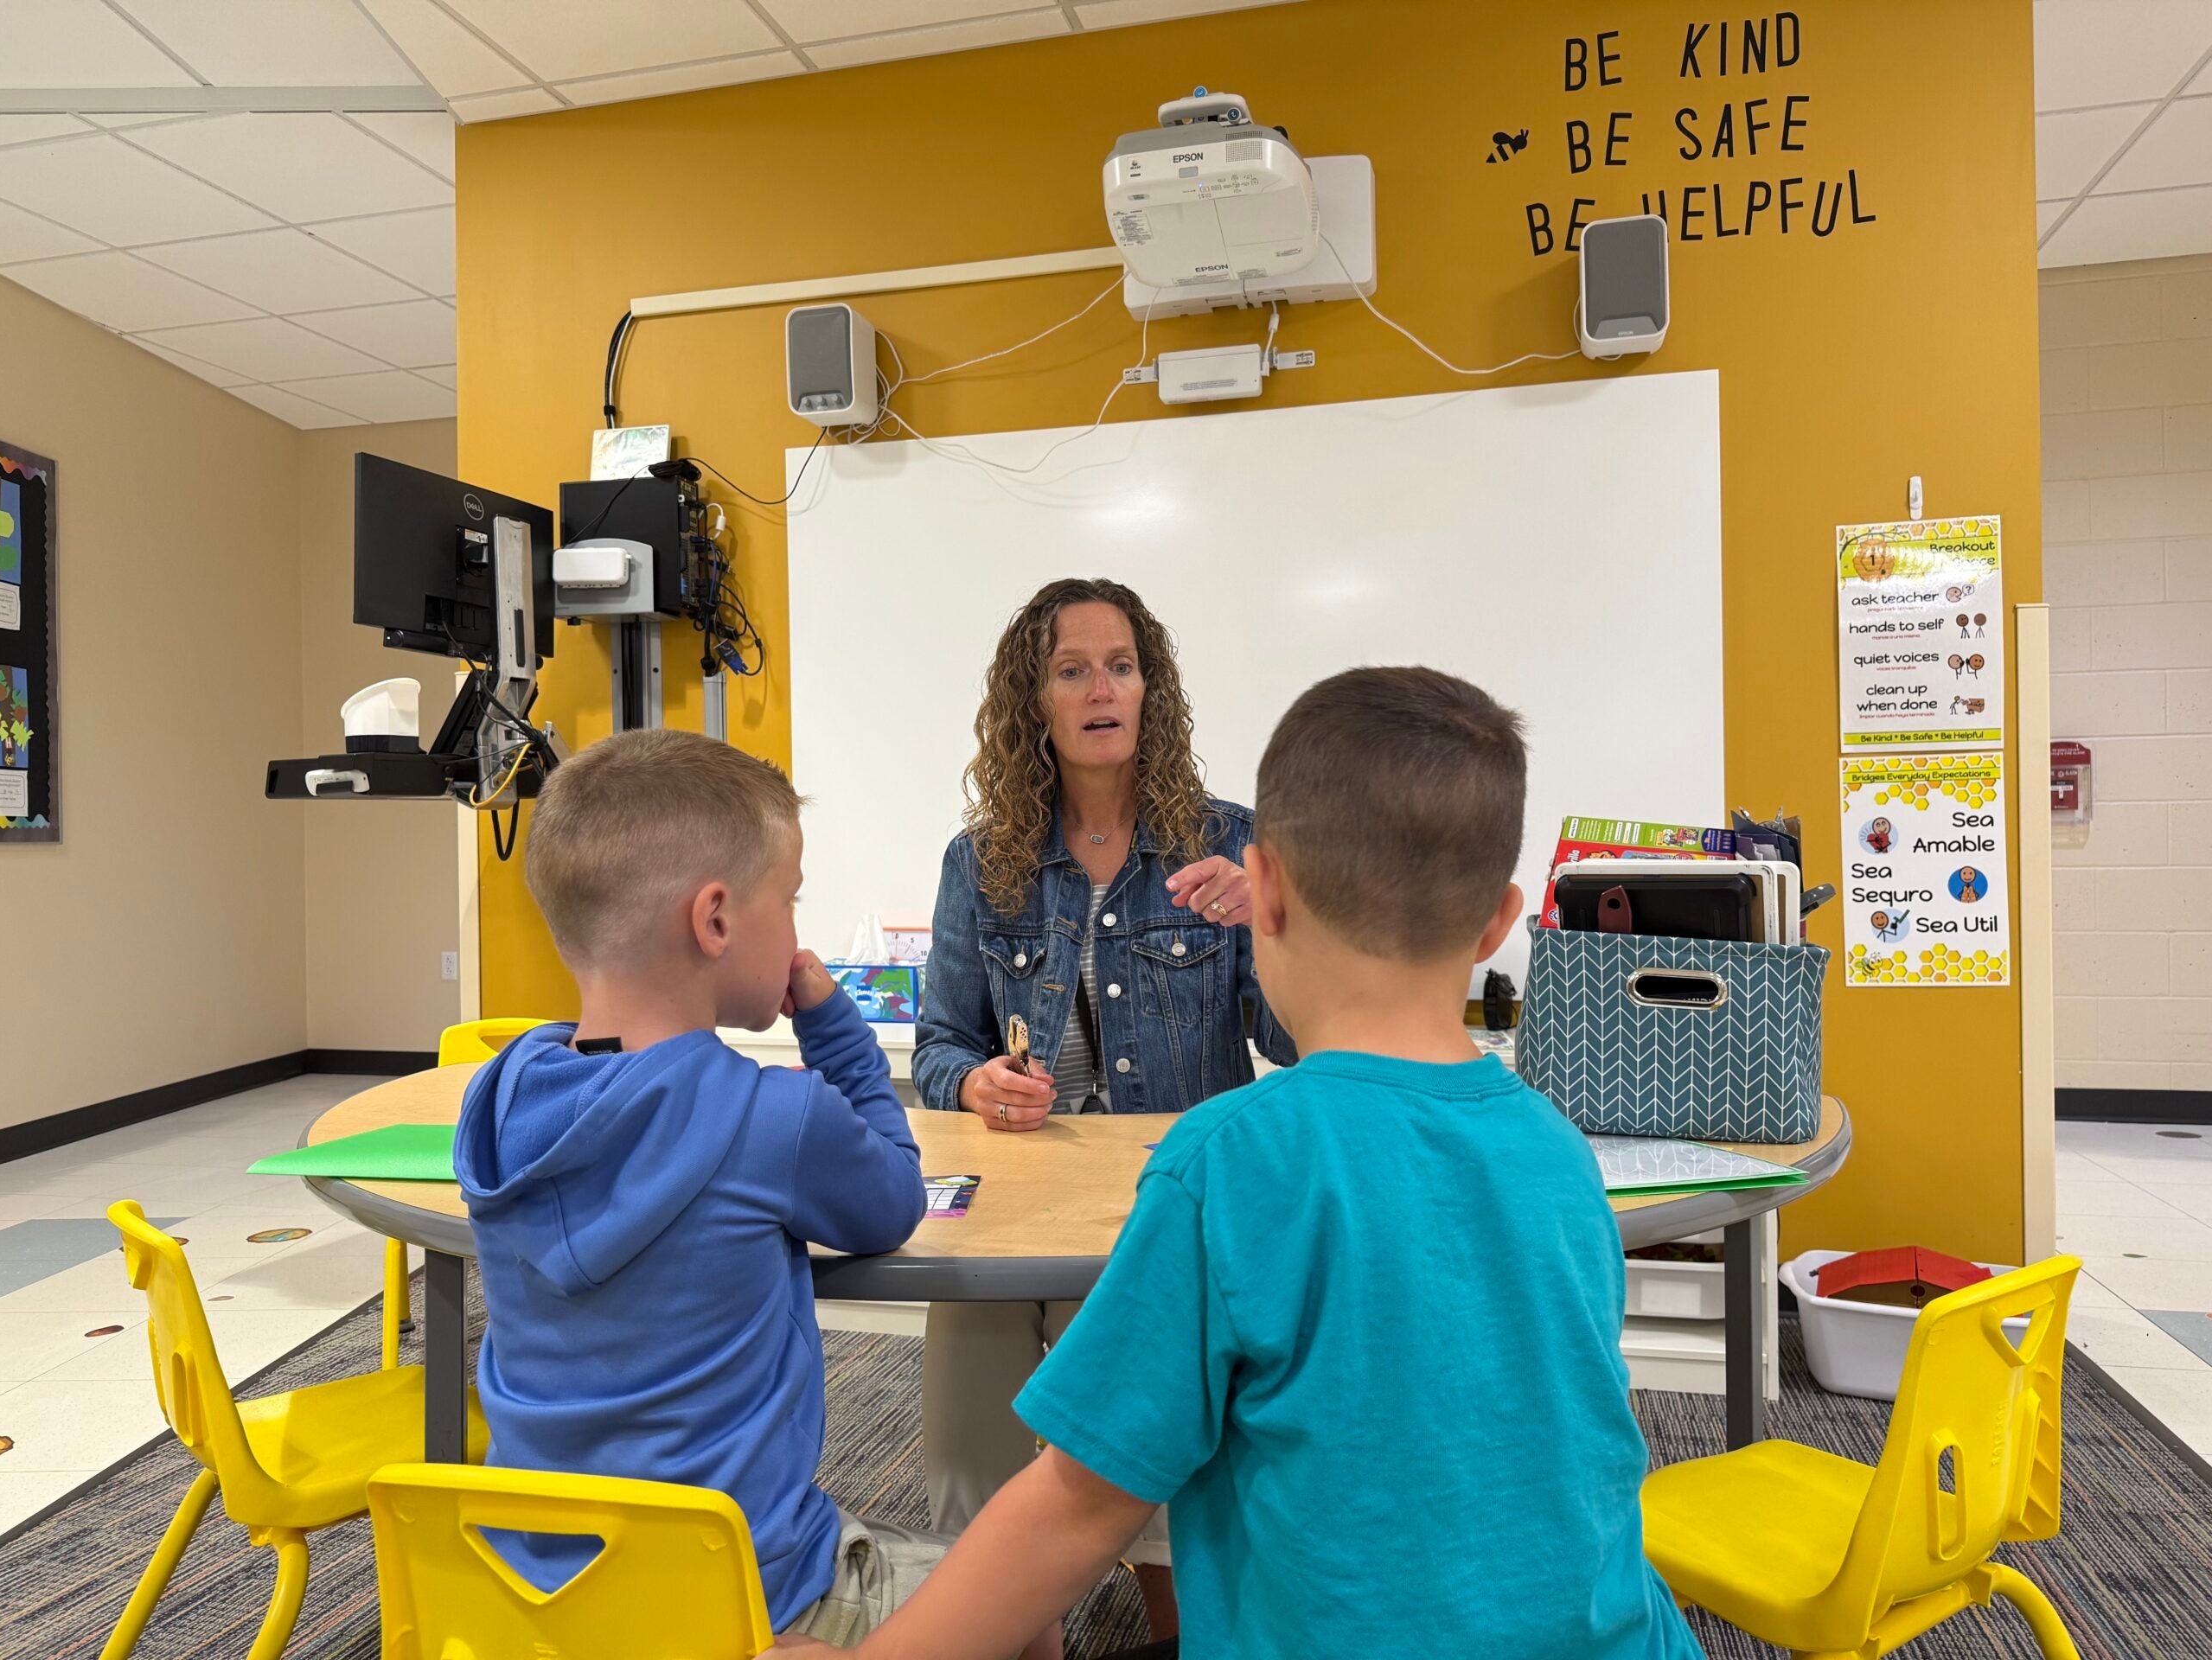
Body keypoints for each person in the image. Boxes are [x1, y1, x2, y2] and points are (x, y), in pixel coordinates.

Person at [858, 667, 1703, 1660]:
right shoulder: (1560, 1153)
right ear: (1496, 922)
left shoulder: (1227, 1161)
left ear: (1259, 890)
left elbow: (1079, 1505)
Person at [454, 730, 1030, 1649]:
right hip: (743, 1598)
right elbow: (892, 1196)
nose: (796, 932)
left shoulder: (499, 1095)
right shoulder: (771, 1118)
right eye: (790, 902)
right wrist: (833, 1024)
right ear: (716, 921)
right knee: (1020, 1607)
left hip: (531, 1594)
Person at [912, 578, 1295, 1635]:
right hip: (1016, 1197)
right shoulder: (979, 861)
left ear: (1150, 689)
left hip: (1167, 1202)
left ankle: (1179, 1627)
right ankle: (1016, 1631)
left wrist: (1268, 925)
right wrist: (976, 1082)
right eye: (1070, 668)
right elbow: (942, 1046)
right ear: (1030, 701)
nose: (1100, 688)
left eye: (1120, 665)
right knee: (965, 1437)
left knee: (1142, 1437)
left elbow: (1298, 1045)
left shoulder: (1228, 840)